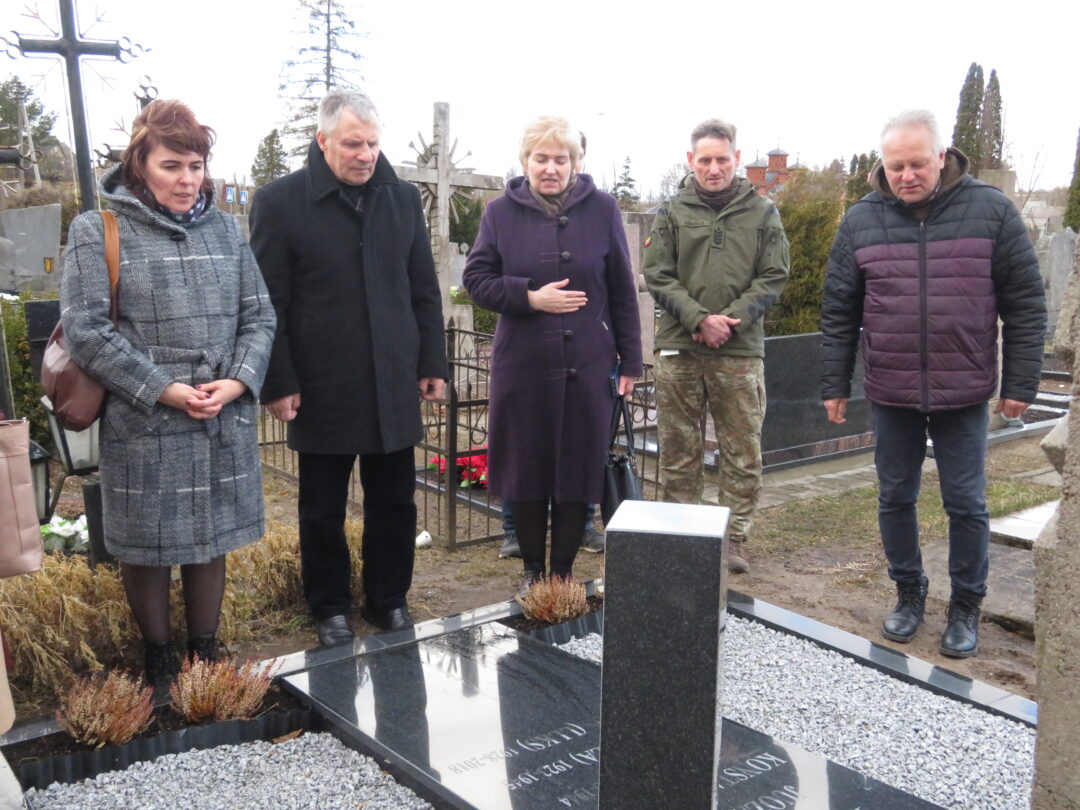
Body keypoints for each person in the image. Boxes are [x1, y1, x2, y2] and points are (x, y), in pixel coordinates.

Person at [60, 100, 276, 689]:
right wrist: (165, 390)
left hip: (219, 414)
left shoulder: (226, 230)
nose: (187, 180)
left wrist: (238, 381)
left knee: (211, 538)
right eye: (171, 166)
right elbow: (86, 329)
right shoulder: (98, 230)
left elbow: (260, 316)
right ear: (140, 165)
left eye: (196, 166)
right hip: (145, 417)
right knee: (146, 546)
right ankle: (157, 655)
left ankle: (204, 652)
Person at [820, 109, 1046, 658]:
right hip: (892, 388)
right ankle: (909, 592)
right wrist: (834, 385)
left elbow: (1024, 304)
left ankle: (966, 604)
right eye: (895, 166)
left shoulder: (991, 210)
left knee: (965, 502)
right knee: (895, 496)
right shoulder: (861, 220)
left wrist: (1021, 383)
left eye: (917, 163)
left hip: (963, 387)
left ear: (941, 157)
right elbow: (839, 310)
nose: (906, 175)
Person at [250, 90, 447, 645]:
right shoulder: (280, 202)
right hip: (321, 383)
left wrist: (431, 360)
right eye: (353, 144)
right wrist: (279, 380)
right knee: (321, 508)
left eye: (373, 144)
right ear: (323, 140)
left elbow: (423, 288)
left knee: (395, 503)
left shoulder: (401, 198)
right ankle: (329, 606)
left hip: (391, 378)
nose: (365, 155)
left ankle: (389, 599)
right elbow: (269, 303)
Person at [463, 115, 642, 595]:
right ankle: (531, 573)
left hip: (588, 362)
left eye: (561, 159)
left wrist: (631, 361)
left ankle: (561, 575)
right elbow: (475, 280)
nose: (550, 168)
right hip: (522, 365)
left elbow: (622, 289)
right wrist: (529, 297)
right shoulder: (499, 213)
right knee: (526, 469)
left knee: (577, 467)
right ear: (525, 162)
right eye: (541, 158)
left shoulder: (603, 209)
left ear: (575, 163)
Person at [643, 119, 789, 575]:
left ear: (736, 159)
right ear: (691, 161)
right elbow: (657, 273)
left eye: (722, 159)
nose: (713, 168)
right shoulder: (671, 211)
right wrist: (698, 319)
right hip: (680, 347)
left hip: (738, 350)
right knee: (678, 449)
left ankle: (734, 536)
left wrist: (730, 321)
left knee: (741, 448)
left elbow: (774, 275)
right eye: (704, 160)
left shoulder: (762, 213)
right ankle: (682, 533)